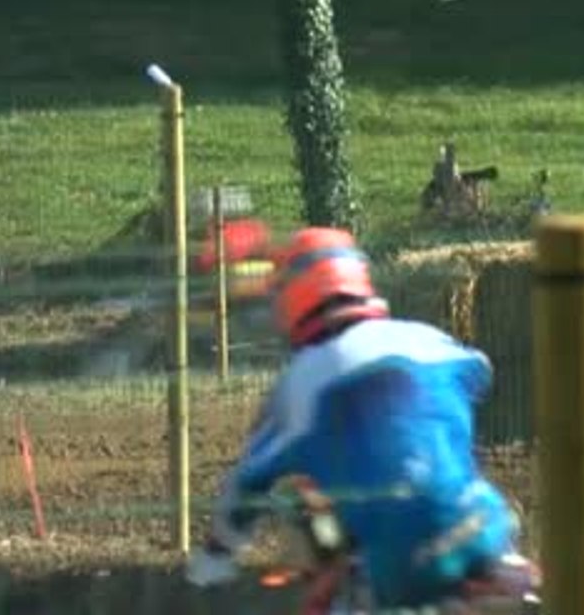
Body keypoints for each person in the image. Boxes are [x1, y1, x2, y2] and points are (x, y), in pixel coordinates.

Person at [184, 227, 527, 609]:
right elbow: (480, 370)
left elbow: (248, 483)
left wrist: (214, 558)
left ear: (293, 299)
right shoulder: (427, 339)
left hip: (399, 566)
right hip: (481, 524)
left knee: (306, 511)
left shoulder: (300, 383)